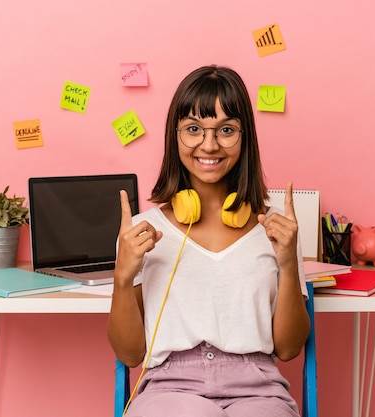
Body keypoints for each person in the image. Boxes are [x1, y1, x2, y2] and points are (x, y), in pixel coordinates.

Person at [107, 65, 311, 417]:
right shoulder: (141, 232)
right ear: (176, 136)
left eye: (226, 130)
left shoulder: (277, 229)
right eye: (194, 129)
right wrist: (123, 278)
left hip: (258, 390)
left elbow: (289, 348)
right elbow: (129, 356)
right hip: (169, 388)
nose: (209, 144)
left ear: (245, 137)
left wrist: (289, 264)